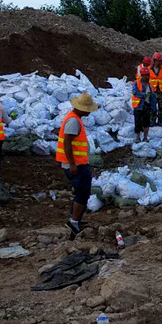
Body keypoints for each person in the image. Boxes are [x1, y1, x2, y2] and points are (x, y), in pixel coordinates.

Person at [55, 93, 98, 240]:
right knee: (82, 193)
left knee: (81, 192)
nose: (89, 112)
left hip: (77, 163)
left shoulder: (74, 118)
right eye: (88, 109)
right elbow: (67, 143)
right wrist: (72, 164)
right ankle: (73, 223)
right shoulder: (73, 121)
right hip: (76, 165)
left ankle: (76, 220)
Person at [132, 67, 157, 143]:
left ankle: (145, 138)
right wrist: (144, 95)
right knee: (138, 122)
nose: (147, 77)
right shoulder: (137, 83)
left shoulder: (150, 85)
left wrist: (154, 107)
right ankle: (138, 138)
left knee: (146, 123)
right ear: (142, 76)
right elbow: (134, 92)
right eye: (145, 75)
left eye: (148, 75)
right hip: (139, 106)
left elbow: (153, 97)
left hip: (147, 106)